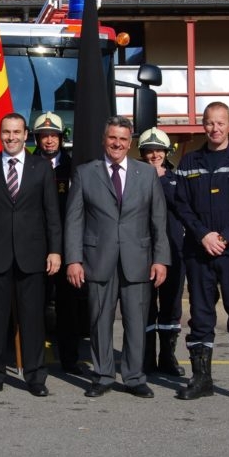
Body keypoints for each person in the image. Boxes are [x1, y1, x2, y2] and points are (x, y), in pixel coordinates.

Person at [64, 116, 170, 399]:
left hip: (138, 259)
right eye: (113, 138)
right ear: (104, 139)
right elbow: (74, 220)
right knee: (99, 321)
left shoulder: (146, 174)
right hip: (98, 259)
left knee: (136, 322)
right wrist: (73, 259)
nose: (117, 144)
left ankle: (134, 377)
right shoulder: (86, 173)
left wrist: (161, 259)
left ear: (130, 142)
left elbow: (158, 220)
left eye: (123, 139)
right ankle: (103, 375)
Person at [175, 101, 229, 404]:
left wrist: (224, 238)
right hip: (199, 252)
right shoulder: (188, 163)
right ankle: (202, 379)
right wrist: (203, 236)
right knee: (200, 316)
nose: (215, 128)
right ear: (203, 125)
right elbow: (182, 205)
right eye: (209, 123)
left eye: (220, 123)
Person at [0, 113, 62, 398]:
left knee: (33, 319)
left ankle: (34, 376)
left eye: (16, 132)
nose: (11, 137)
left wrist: (55, 250)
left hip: (32, 255)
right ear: (0, 134)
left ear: (25, 134)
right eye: (6, 132)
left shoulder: (42, 168)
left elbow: (51, 214)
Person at [32, 111, 88, 375]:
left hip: (66, 248)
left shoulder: (74, 168)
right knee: (34, 306)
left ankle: (70, 358)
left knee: (69, 308)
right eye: (44, 136)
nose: (49, 141)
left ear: (61, 138)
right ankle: (34, 359)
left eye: (53, 136)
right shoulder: (27, 166)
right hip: (35, 247)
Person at [137, 127, 186, 377]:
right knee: (146, 306)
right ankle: (146, 359)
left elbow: (183, 206)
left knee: (171, 306)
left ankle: (167, 357)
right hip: (143, 250)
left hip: (174, 251)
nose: (154, 155)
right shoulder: (135, 177)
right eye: (148, 150)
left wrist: (160, 179)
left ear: (167, 152)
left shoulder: (177, 178)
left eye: (158, 150)